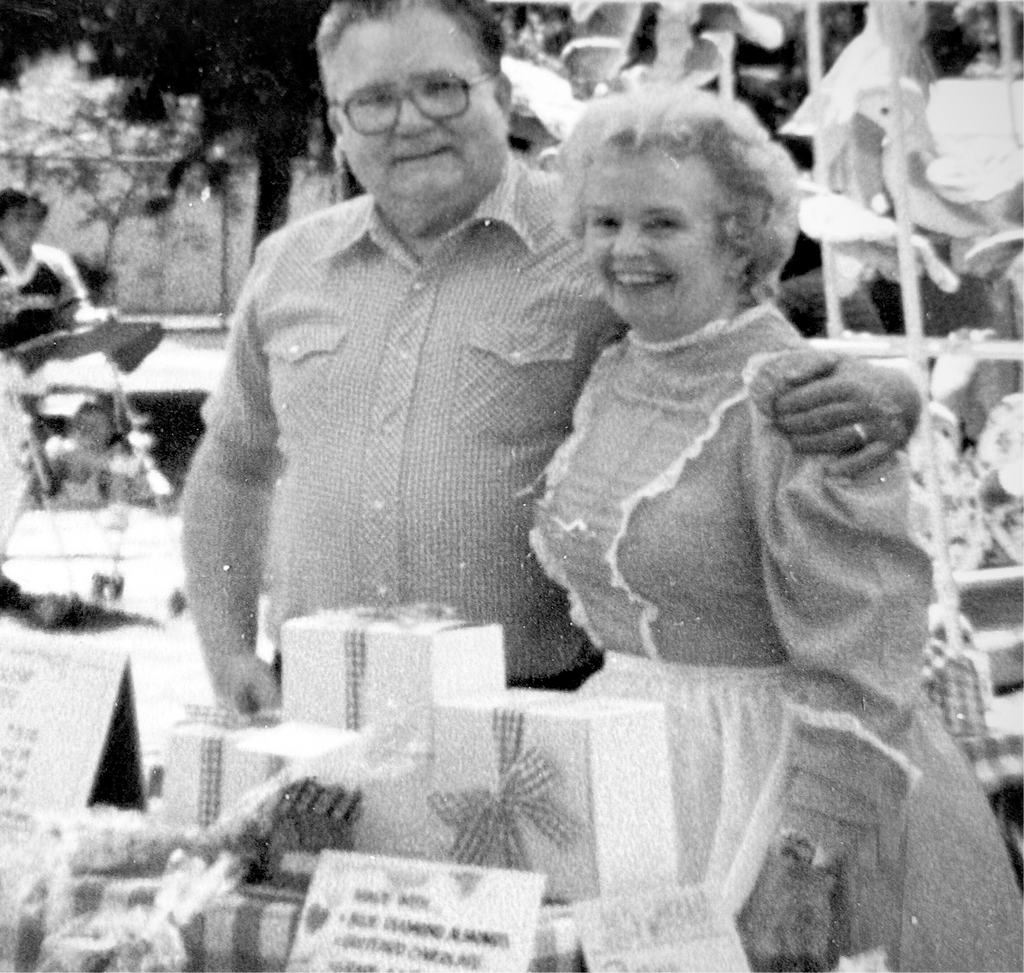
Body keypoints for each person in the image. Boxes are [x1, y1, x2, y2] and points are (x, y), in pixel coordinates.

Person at [181, 0, 922, 714]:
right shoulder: (289, 265)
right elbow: (232, 466)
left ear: (500, 93)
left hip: (539, 707)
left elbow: (736, 356)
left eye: (441, 89)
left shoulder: (605, 249)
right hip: (319, 699)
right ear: (337, 122)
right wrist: (228, 648)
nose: (409, 123)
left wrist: (886, 395)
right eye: (372, 101)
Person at [530, 85, 1024, 971]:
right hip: (636, 776)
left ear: (739, 234)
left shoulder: (799, 399)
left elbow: (865, 652)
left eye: (662, 223)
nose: (626, 249)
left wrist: (805, 859)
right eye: (603, 221)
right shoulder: (615, 368)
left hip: (784, 790)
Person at [0, 189, 96, 350]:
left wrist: (93, 318)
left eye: (36, 218)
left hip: (40, 362)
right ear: (1, 222)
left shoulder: (56, 262)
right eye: (19, 217)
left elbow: (74, 311)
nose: (29, 225)